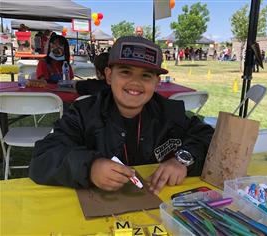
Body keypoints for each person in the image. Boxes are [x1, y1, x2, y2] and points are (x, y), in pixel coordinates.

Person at [29, 36, 214, 194]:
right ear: (109, 76)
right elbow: (42, 158)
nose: (135, 82)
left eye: (146, 76)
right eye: (125, 72)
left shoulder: (170, 112)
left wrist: (182, 160)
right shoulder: (83, 113)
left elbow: (208, 136)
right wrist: (90, 167)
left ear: (157, 82)